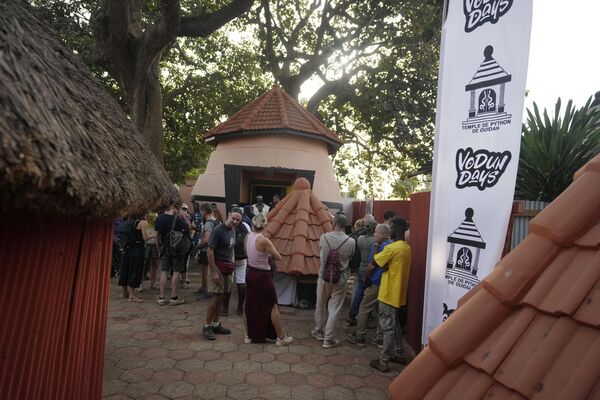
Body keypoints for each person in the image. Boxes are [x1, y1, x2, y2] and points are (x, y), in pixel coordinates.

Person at [244, 214, 293, 346]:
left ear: (253, 224)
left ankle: (248, 336)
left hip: (250, 272)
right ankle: (281, 338)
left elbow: (246, 253)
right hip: (263, 276)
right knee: (272, 305)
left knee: (249, 304)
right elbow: (278, 257)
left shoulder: (247, 237)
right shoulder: (264, 240)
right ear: (265, 225)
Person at [369, 218, 411, 373]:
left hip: (388, 293)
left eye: (391, 228)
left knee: (387, 328)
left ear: (396, 230)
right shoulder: (407, 247)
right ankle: (399, 353)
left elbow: (375, 263)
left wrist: (366, 278)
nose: (389, 230)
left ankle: (383, 361)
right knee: (396, 325)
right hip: (399, 294)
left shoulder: (392, 248)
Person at [311, 214, 355, 348]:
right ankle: (328, 339)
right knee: (334, 309)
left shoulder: (324, 237)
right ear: (344, 225)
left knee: (320, 304)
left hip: (324, 276)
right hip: (341, 279)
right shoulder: (351, 241)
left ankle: (318, 331)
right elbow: (351, 258)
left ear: (333, 223)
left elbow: (321, 253)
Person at [347, 223, 391, 346]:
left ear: (383, 234)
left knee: (364, 308)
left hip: (375, 282)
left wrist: (366, 278)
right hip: (385, 283)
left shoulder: (382, 246)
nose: (374, 234)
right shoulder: (387, 246)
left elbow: (372, 265)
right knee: (381, 311)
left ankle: (360, 336)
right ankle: (380, 338)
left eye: (376, 232)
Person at [202, 208, 241, 340]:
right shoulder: (219, 230)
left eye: (238, 220)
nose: (235, 221)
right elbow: (210, 250)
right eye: (233, 218)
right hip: (217, 267)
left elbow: (230, 250)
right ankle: (207, 326)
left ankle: (216, 324)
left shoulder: (233, 230)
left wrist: (232, 266)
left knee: (222, 297)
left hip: (227, 269)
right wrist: (213, 271)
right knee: (216, 298)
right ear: (228, 216)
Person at [154, 204, 190, 306]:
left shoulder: (159, 219)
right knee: (176, 272)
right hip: (177, 250)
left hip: (164, 249)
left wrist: (158, 249)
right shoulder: (177, 219)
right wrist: (184, 218)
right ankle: (173, 297)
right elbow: (188, 229)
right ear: (173, 208)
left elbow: (156, 236)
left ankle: (161, 297)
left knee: (164, 272)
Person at [221, 205, 250, 316]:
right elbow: (248, 240)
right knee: (241, 281)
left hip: (228, 258)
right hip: (242, 258)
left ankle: (225, 309)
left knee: (228, 282)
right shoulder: (246, 226)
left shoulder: (225, 225)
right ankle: (239, 308)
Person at [347, 220, 377, 325]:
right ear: (374, 229)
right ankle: (365, 317)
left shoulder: (360, 239)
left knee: (359, 292)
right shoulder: (374, 242)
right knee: (368, 295)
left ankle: (352, 314)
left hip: (361, 268)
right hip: (370, 270)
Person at [119, 214, 151, 303]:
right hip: (137, 250)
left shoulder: (127, 222)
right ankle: (132, 296)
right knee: (134, 271)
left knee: (126, 270)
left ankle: (125, 293)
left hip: (127, 249)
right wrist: (154, 235)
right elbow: (145, 238)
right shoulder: (142, 222)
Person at [196, 203, 216, 300]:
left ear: (204, 211)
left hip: (206, 250)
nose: (200, 213)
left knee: (206, 271)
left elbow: (207, 239)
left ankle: (207, 291)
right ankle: (204, 288)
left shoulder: (208, 223)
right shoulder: (215, 221)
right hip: (211, 250)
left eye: (201, 211)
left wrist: (198, 246)